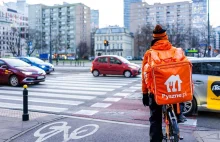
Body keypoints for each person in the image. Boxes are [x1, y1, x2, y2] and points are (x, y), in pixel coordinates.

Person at [142, 24, 186, 142]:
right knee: (177, 96)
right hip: (174, 91)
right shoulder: (177, 51)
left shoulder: (149, 53)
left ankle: (156, 139)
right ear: (166, 38)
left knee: (155, 119)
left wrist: (145, 94)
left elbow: (144, 75)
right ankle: (179, 114)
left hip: (156, 92)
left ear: (154, 39)